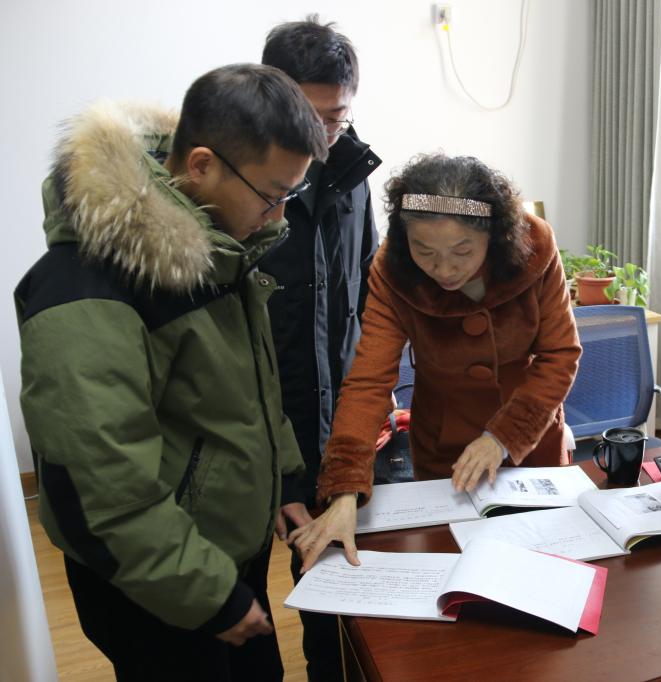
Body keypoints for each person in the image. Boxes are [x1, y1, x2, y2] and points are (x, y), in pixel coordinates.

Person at [15, 64, 327, 681]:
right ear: (203, 165)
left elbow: (246, 388)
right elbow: (101, 487)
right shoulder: (85, 287)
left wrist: (286, 480)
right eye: (272, 194)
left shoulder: (219, 243)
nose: (278, 217)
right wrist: (206, 594)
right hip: (154, 585)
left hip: (216, 558)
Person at [288, 153, 582, 570]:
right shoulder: (393, 270)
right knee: (451, 566)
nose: (443, 269)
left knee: (540, 565)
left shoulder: (535, 247)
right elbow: (369, 382)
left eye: (462, 251)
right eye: (424, 251)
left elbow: (560, 354)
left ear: (493, 235)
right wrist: (345, 489)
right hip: (444, 444)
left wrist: (502, 438)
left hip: (529, 438)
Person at [259, 17, 381, 682]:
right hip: (261, 427)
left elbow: (369, 292)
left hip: (341, 422)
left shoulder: (354, 173)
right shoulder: (246, 182)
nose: (324, 133)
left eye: (337, 116)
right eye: (310, 116)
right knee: (255, 606)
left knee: (335, 584)